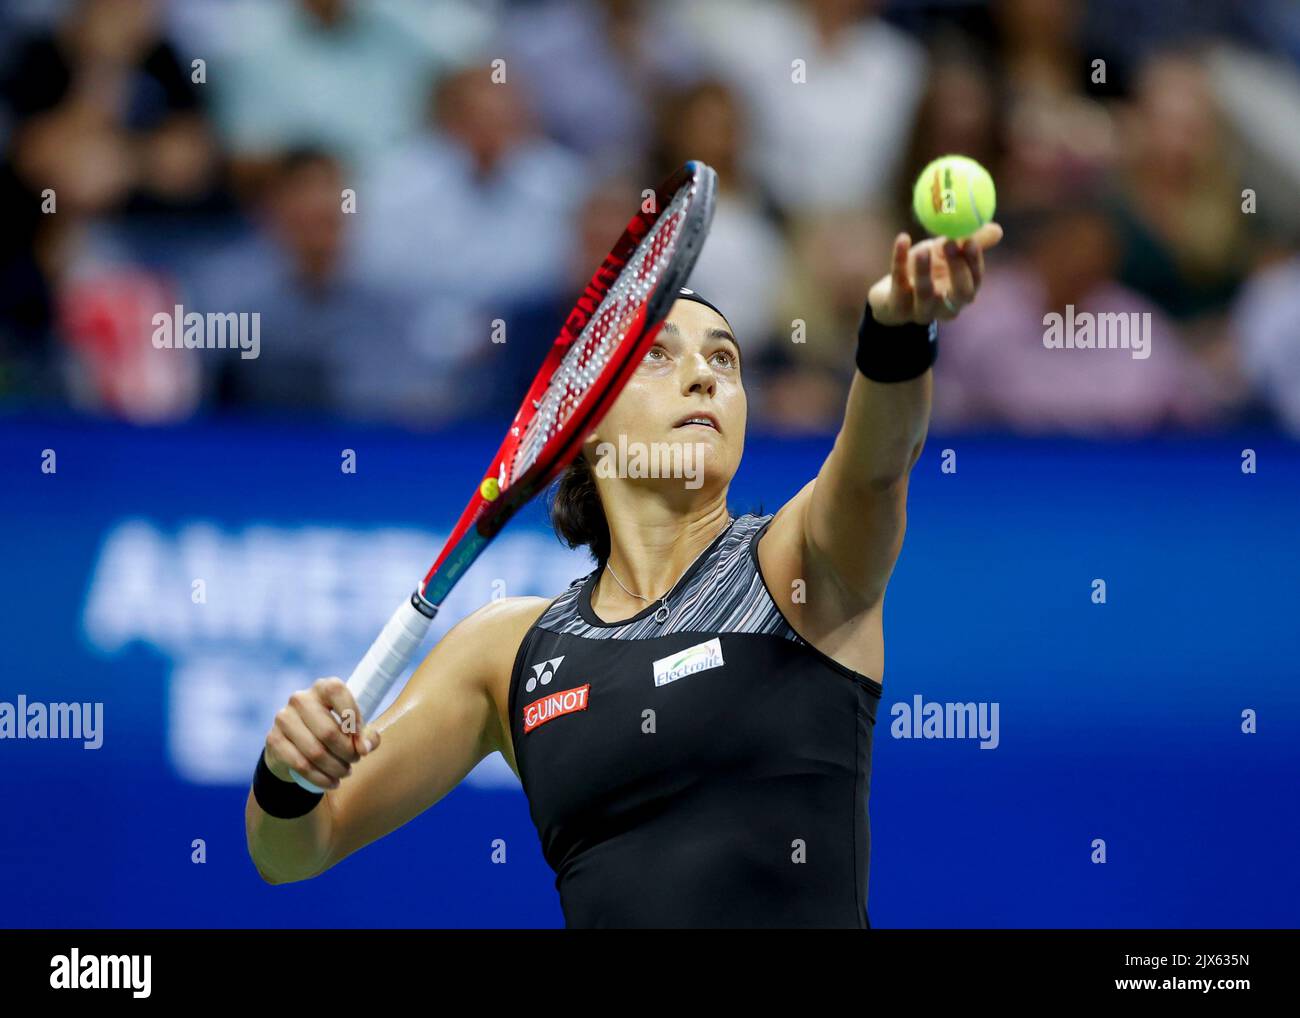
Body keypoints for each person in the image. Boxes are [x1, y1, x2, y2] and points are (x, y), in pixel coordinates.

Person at [245, 222, 1002, 927]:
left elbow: (875, 468)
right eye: (660, 355)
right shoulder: (509, 652)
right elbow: (293, 850)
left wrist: (897, 332)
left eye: (724, 359)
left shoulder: (795, 566)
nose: (704, 377)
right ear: (586, 418)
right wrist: (289, 771)